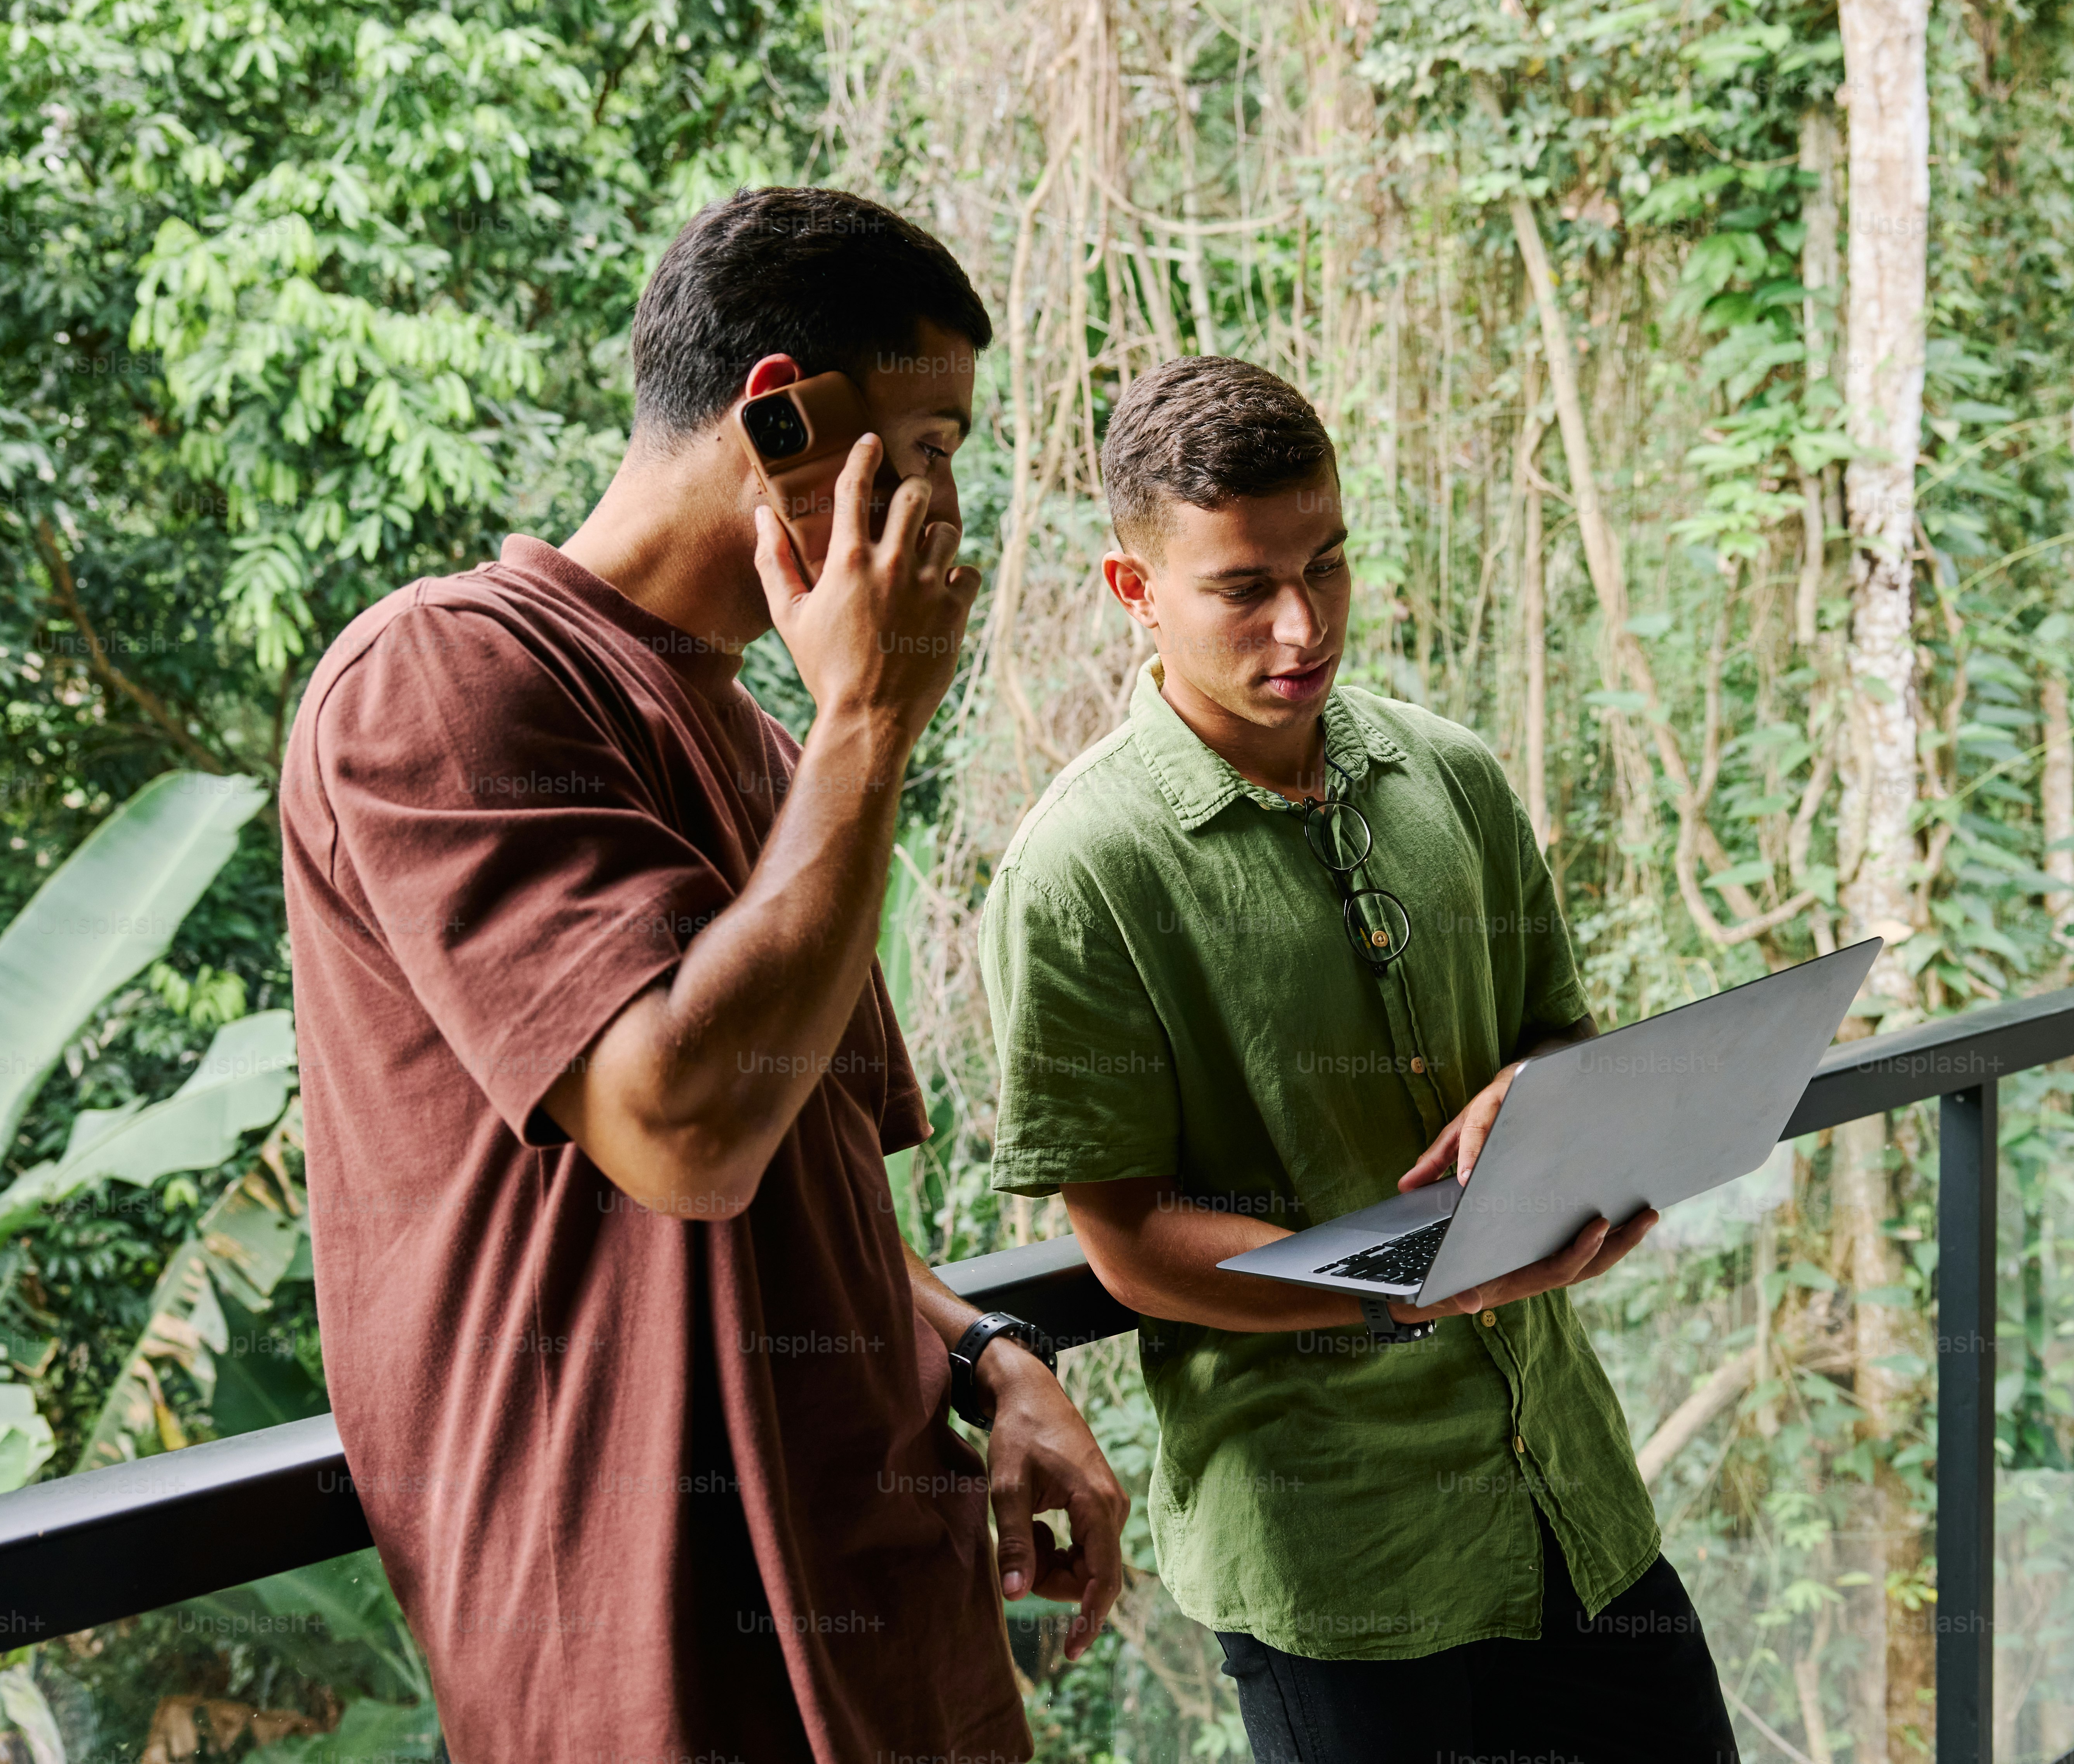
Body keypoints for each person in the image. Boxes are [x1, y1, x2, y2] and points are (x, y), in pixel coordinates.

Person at [280, 186, 1127, 1763]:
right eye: (932, 447)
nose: (952, 507)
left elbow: (818, 1194)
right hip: (644, 1662)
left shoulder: (775, 751)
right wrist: (873, 728)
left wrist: (994, 1356)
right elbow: (685, 1131)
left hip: (893, 1624)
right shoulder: (447, 674)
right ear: (784, 415)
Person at [978, 355, 1744, 1761]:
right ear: (1132, 589)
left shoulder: (1452, 774)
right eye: (1245, 585)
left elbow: (1560, 1038)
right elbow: (1130, 1242)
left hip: (1572, 1497)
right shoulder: (1079, 872)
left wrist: (1564, 1107)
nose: (1304, 620)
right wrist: (1413, 1285)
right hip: (1335, 1564)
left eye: (1328, 562)